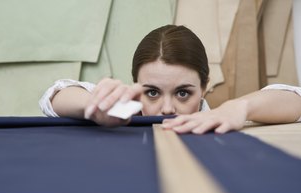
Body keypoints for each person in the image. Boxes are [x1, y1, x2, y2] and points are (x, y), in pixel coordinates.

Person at [39, 25, 301, 134]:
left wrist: (240, 107)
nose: (167, 108)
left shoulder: (223, 118)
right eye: (152, 92)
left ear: (205, 86)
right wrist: (94, 106)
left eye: (183, 93)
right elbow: (53, 97)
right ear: (135, 84)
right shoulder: (118, 111)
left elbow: (297, 100)